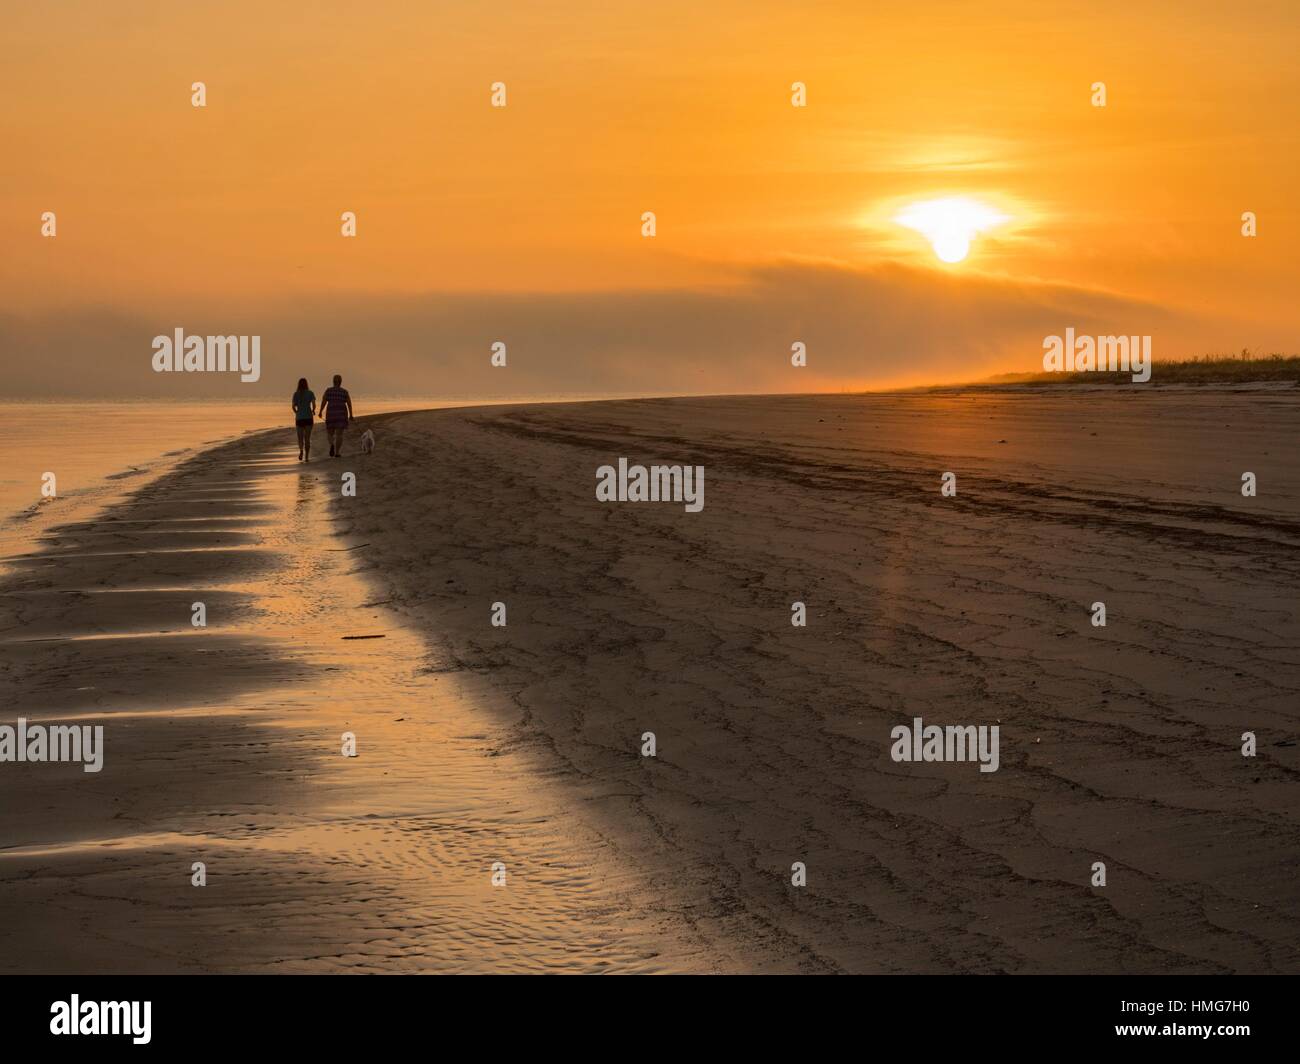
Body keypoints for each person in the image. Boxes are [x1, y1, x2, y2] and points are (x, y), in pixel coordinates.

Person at [320, 374, 353, 458]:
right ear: (341, 382)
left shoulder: (328, 391)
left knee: (330, 433)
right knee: (339, 434)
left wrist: (320, 411)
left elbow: (324, 401)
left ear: (333, 381)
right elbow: (349, 403)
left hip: (331, 414)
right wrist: (351, 414)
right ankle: (337, 452)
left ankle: (331, 444)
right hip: (341, 414)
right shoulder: (344, 392)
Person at [291, 378, 316, 461]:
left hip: (299, 418)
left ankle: (301, 450)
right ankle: (307, 457)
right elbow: (314, 404)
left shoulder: (295, 394)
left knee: (300, 438)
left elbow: (293, 406)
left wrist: (296, 412)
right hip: (308, 417)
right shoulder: (310, 393)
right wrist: (313, 410)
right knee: (307, 438)